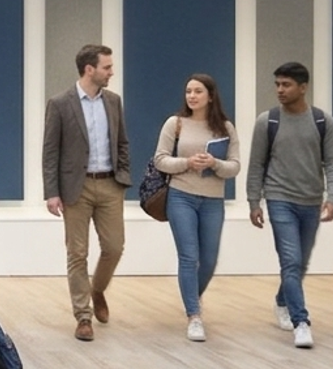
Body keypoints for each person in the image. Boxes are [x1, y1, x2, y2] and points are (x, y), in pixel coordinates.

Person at [246, 62, 333, 350]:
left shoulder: (323, 122)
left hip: (311, 200)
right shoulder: (268, 121)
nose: (280, 90)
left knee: (300, 262)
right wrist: (254, 201)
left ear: (303, 87)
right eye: (277, 84)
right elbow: (256, 164)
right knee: (290, 260)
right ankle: (301, 322)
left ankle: (282, 300)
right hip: (279, 199)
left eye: (286, 85)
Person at [41, 44, 131, 342]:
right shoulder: (60, 103)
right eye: (107, 67)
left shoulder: (113, 102)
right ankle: (83, 316)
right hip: (75, 188)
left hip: (110, 184)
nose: (111, 72)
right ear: (89, 69)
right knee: (77, 253)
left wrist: (123, 175)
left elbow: (122, 143)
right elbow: (50, 151)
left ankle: (97, 290)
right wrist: (52, 192)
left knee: (114, 247)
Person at [152, 74, 240, 342]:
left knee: (209, 260)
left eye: (198, 91)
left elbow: (234, 166)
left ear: (210, 96)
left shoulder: (225, 128)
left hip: (213, 200)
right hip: (181, 196)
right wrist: (187, 162)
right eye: (188, 91)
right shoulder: (175, 123)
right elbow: (160, 160)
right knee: (189, 257)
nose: (192, 96)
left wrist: (214, 163)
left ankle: (193, 296)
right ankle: (194, 315)